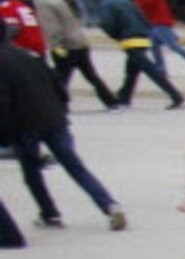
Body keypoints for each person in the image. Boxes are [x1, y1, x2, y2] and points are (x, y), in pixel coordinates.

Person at [0, 39, 124, 231]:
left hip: (24, 125)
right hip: (54, 118)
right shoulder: (30, 55)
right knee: (75, 166)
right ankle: (109, 205)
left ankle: (50, 213)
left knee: (31, 172)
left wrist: (5, 135)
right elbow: (57, 83)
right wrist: (61, 108)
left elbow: (3, 102)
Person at [96, 0, 185, 111]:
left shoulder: (106, 4)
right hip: (142, 37)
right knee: (131, 72)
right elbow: (142, 16)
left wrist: (116, 35)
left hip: (129, 39)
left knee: (150, 71)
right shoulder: (125, 0)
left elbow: (107, 24)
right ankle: (124, 98)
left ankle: (176, 96)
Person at [36, 0, 115, 111]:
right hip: (79, 41)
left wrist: (55, 44)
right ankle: (110, 101)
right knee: (90, 75)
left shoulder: (42, 3)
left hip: (65, 44)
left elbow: (51, 26)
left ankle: (60, 105)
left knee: (61, 77)